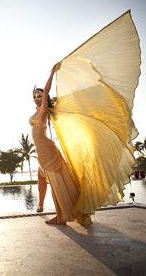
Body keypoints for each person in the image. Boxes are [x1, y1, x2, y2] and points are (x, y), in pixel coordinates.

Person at [30, 62, 90, 225]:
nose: (37, 98)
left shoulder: (43, 110)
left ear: (44, 98)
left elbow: (48, 90)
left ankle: (61, 216)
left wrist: (53, 73)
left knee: (56, 183)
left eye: (39, 96)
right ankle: (62, 214)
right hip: (43, 150)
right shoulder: (39, 111)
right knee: (52, 181)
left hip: (47, 150)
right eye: (35, 96)